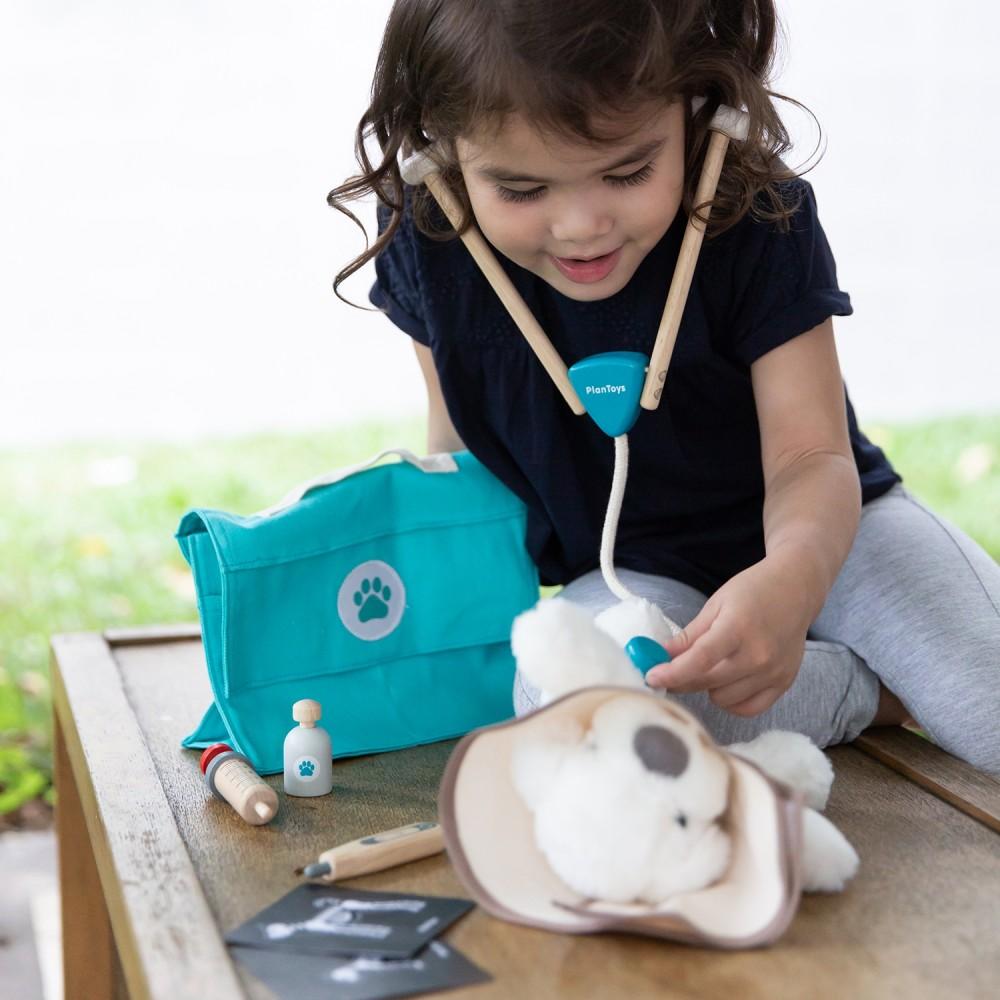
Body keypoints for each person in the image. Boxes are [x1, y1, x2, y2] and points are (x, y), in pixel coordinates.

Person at [328, 0, 1000, 775]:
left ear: (694, 109)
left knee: (986, 706)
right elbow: (458, 452)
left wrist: (793, 581)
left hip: (836, 537)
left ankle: (869, 660)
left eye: (628, 172)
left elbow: (810, 454)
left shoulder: (758, 213)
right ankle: (872, 691)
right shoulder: (431, 239)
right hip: (633, 572)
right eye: (521, 189)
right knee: (575, 708)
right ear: (442, 153)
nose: (581, 225)